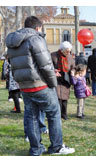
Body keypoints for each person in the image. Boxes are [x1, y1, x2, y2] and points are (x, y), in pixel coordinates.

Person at [6, 16, 74, 155]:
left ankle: (36, 149)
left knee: (32, 117)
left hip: (25, 86)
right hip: (40, 85)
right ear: (37, 28)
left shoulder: (13, 42)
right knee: (54, 114)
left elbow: (17, 64)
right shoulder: (36, 38)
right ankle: (56, 147)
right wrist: (53, 83)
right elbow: (45, 65)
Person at [51, 41, 75, 121]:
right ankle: (57, 114)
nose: (68, 52)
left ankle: (64, 114)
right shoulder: (53, 55)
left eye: (69, 51)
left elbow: (73, 66)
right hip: (56, 79)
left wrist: (73, 71)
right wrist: (54, 70)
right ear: (61, 50)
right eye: (67, 51)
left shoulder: (70, 57)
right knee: (57, 97)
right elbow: (48, 66)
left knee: (65, 98)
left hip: (66, 79)